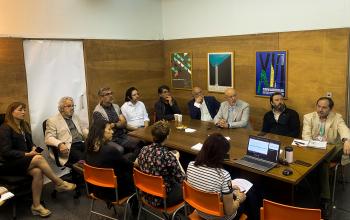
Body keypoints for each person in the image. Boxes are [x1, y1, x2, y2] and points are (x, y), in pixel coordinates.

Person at [0, 102, 76, 217]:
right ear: (12, 112)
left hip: (22, 162)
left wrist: (33, 147)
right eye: (20, 110)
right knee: (38, 159)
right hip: (8, 164)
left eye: (24, 110)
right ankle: (59, 183)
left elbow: (30, 143)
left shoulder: (24, 125)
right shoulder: (5, 128)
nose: (23, 112)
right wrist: (27, 154)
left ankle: (36, 206)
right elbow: (6, 152)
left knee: (38, 171)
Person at [302, 97, 350, 216]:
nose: (320, 109)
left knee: (332, 152)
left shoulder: (337, 117)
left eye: (324, 107)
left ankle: (322, 198)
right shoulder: (308, 117)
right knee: (322, 163)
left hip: (333, 149)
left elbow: (344, 129)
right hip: (315, 150)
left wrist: (347, 140)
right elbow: (306, 136)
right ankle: (324, 198)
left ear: (330, 108)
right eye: (318, 106)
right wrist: (316, 144)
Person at [187, 133, 249, 220]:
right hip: (219, 217)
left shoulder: (190, 165)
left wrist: (229, 189)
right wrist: (239, 199)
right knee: (247, 199)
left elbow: (206, 183)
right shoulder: (224, 176)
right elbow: (229, 211)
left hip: (200, 211)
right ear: (220, 155)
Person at [137, 120, 185, 207]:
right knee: (187, 190)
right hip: (161, 199)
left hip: (145, 192)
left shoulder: (143, 149)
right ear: (167, 137)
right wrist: (176, 159)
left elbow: (138, 163)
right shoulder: (167, 156)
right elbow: (182, 179)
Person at [85, 120, 135, 201]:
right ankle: (135, 207)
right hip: (113, 193)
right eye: (109, 129)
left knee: (129, 157)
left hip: (97, 190)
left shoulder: (88, 146)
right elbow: (129, 166)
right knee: (134, 170)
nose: (112, 132)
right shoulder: (110, 150)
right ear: (101, 132)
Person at [93, 87, 141, 155]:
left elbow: (124, 123)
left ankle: (131, 162)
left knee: (139, 142)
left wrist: (114, 125)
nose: (110, 96)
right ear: (101, 97)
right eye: (107, 94)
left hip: (121, 135)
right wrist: (118, 123)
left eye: (111, 93)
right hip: (108, 139)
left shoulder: (116, 107)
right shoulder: (97, 112)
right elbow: (107, 128)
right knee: (119, 150)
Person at [45, 97, 88, 166]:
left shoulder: (75, 117)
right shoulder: (52, 121)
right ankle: (86, 175)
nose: (72, 108)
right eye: (68, 106)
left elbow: (83, 129)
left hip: (82, 143)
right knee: (84, 160)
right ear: (61, 108)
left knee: (98, 153)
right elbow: (49, 138)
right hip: (69, 147)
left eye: (73, 106)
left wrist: (92, 137)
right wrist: (60, 144)